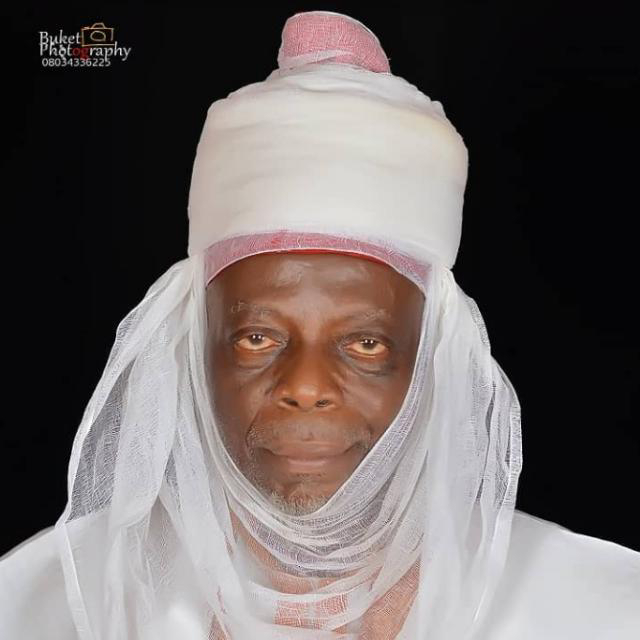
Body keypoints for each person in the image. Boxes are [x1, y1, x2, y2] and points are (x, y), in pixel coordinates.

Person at [1, 10, 638, 640]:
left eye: (366, 343)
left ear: (435, 355)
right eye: (257, 338)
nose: (305, 387)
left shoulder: (598, 610)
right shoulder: (41, 605)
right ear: (192, 349)